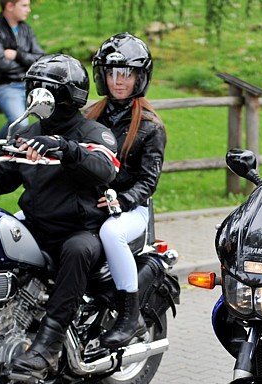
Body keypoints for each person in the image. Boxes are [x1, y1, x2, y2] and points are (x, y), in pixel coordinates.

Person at [0, 54, 119, 378]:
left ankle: (48, 348)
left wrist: (65, 149)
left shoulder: (93, 132)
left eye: (45, 89)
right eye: (34, 88)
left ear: (67, 95)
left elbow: (105, 168)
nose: (37, 95)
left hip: (79, 230)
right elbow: (0, 179)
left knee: (77, 250)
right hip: (37, 227)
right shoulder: (28, 134)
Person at [86, 33, 167, 348]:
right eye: (112, 73)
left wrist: (121, 200)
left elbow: (148, 181)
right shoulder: (89, 116)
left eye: (127, 74)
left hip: (131, 210)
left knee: (112, 233)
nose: (118, 81)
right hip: (89, 203)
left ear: (139, 78)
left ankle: (130, 315)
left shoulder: (150, 126)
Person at [0, 0, 45, 140]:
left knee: (51, 120)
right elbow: (1, 64)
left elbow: (40, 59)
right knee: (20, 124)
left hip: (29, 86)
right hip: (5, 86)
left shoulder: (26, 29)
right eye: (24, 5)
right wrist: (28, 65)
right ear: (10, 6)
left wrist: (18, 55)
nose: (28, 10)